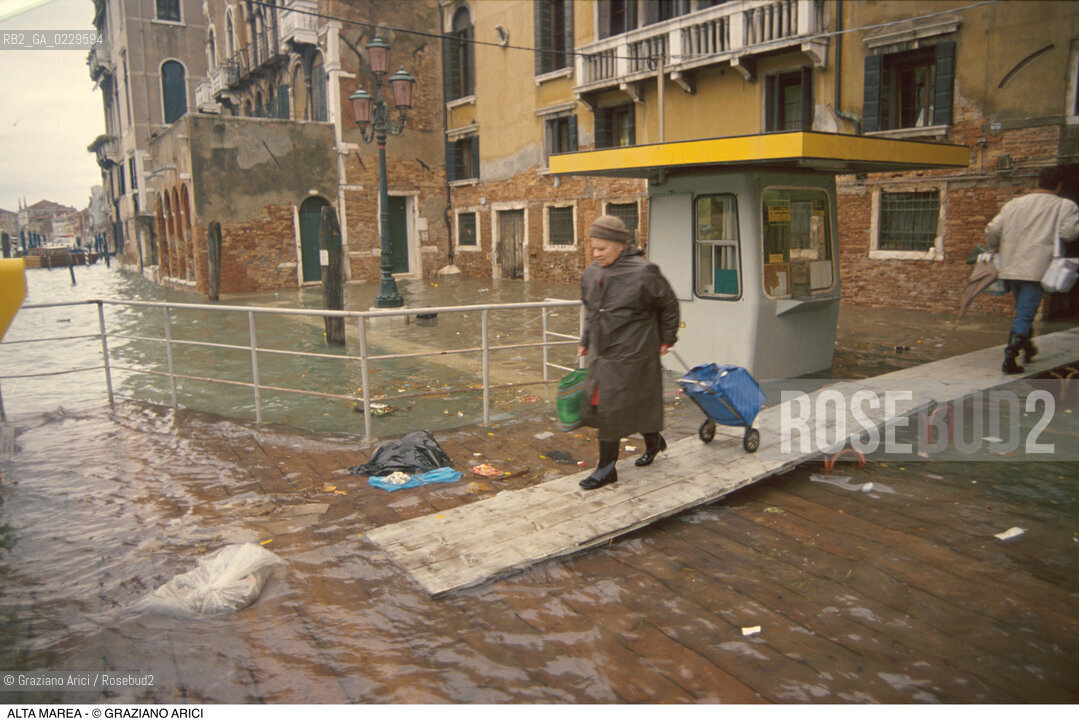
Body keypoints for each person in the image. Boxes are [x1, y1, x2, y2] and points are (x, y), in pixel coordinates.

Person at [576, 215, 680, 490]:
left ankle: (606, 468)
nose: (596, 254)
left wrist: (667, 338)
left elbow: (668, 305)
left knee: (611, 407)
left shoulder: (644, 272)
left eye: (602, 248)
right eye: (593, 248)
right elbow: (591, 309)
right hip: (602, 351)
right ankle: (654, 441)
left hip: (634, 350)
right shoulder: (593, 271)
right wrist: (586, 339)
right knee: (623, 403)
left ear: (620, 245)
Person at [986, 166, 1079, 374]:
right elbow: (1069, 233)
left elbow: (993, 229)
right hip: (1036, 268)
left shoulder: (1014, 204)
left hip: (1010, 266)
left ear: (1038, 182)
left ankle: (1028, 347)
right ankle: (1010, 358)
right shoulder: (1065, 206)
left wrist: (992, 249)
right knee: (1025, 314)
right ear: (1059, 185)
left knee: (1023, 309)